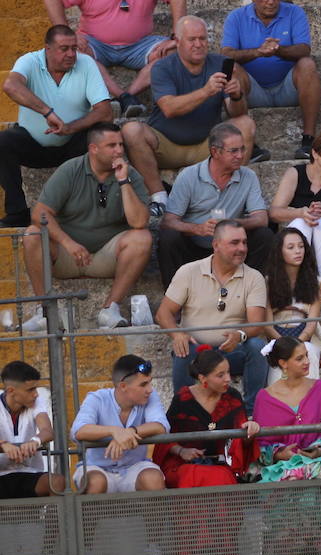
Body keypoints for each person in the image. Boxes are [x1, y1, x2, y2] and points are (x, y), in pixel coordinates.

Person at [121, 16, 262, 216]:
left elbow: (237, 113)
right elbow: (169, 108)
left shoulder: (220, 63)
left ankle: (234, 195)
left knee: (245, 124)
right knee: (131, 130)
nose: (198, 44)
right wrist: (206, 91)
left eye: (202, 38)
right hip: (165, 144)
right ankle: (159, 198)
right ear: (177, 42)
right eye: (192, 39)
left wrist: (237, 95)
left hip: (208, 145)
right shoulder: (162, 67)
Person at [21, 121, 151, 332]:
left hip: (107, 256)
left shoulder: (130, 174)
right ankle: (45, 311)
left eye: (121, 144)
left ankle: (110, 309)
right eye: (112, 145)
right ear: (93, 148)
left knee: (142, 238)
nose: (119, 151)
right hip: (67, 254)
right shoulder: (71, 170)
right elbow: (40, 214)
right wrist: (68, 243)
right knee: (32, 234)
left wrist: (123, 182)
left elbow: (139, 222)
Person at [0, 25, 113, 228]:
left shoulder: (86, 63)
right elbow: (10, 86)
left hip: (73, 145)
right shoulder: (30, 61)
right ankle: (17, 212)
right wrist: (47, 112)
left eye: (74, 48)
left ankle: (85, 207)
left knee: (101, 132)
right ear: (48, 49)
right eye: (64, 49)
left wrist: (70, 128)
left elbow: (105, 112)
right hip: (33, 144)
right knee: (3, 141)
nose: (71, 54)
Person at [155, 220, 270, 412]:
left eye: (244, 242)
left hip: (232, 351)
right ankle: (183, 413)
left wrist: (239, 335)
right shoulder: (189, 271)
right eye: (234, 243)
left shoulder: (254, 277)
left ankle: (252, 413)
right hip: (197, 353)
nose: (242, 248)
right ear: (216, 245)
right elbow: (163, 313)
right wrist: (177, 334)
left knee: (257, 347)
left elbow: (257, 323)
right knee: (183, 349)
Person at [158, 121, 272, 286]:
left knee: (264, 235)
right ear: (215, 152)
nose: (240, 155)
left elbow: (261, 219)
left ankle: (249, 290)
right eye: (234, 151)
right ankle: (175, 296)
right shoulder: (189, 176)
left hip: (232, 247)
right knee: (169, 238)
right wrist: (197, 229)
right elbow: (168, 222)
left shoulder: (248, 176)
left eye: (243, 149)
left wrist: (233, 223)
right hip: (195, 248)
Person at [221, 0, 321, 161]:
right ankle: (247, 143)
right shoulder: (236, 17)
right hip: (253, 91)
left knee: (307, 64)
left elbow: (304, 49)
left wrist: (278, 50)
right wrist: (258, 52)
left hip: (287, 88)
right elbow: (226, 54)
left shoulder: (294, 12)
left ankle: (309, 141)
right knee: (233, 69)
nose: (271, 2)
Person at [46, 0, 182, 116]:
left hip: (140, 45)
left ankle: (127, 96)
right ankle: (122, 96)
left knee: (174, 51)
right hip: (94, 44)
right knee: (73, 53)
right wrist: (67, 34)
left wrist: (178, 35)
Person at [152, 346, 259, 488]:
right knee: (193, 476)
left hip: (222, 465)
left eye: (228, 372)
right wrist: (182, 451)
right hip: (184, 464)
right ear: (203, 378)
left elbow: (242, 443)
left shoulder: (233, 397)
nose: (228, 379)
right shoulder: (183, 398)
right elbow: (165, 438)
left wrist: (250, 430)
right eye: (220, 375)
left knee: (221, 476)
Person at [269, 129, 321, 312]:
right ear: (315, 153)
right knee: (301, 222)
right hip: (293, 236)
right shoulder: (295, 173)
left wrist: (319, 215)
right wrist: (301, 212)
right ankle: (294, 288)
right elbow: (274, 212)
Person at [254, 337, 321, 480]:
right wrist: (279, 454)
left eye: (306, 355)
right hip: (280, 470)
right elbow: (261, 442)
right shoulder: (264, 397)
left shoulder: (320, 388)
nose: (307, 361)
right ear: (283, 363)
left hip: (319, 464)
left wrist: (319, 449)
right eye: (300, 358)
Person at [71, 353, 168, 494]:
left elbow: (161, 426)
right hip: (97, 467)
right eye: (143, 384)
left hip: (135, 467)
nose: (150, 389)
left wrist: (130, 431)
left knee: (153, 479)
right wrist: (114, 431)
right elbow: (78, 430)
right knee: (96, 482)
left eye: (149, 382)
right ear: (123, 386)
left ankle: (153, 511)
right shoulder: (97, 398)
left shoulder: (150, 396)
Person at [260, 227, 321, 381]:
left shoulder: (316, 282)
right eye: (291, 247)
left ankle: (309, 396)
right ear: (280, 252)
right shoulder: (267, 282)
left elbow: (311, 324)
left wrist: (297, 345)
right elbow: (267, 326)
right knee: (279, 368)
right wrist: (284, 345)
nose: (298, 251)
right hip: (276, 338)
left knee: (308, 351)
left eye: (301, 246)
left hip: (305, 337)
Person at [0, 361, 64, 498]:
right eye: (30, 390)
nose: (36, 394)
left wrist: (35, 440)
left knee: (57, 482)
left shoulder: (35, 403)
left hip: (30, 472)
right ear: (11, 391)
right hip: (2, 474)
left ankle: (55, 513)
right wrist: (3, 444)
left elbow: (47, 431)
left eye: (36, 388)